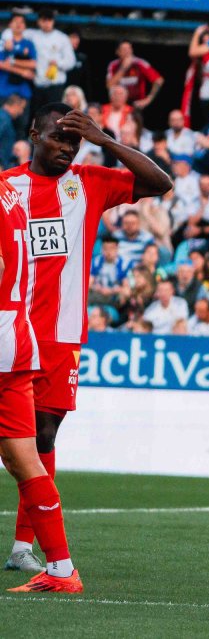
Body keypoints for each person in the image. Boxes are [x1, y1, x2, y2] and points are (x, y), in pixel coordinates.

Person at [1, 103, 172, 572]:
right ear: (34, 133)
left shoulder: (88, 182)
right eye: (59, 137)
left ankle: (22, 548)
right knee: (20, 444)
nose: (67, 148)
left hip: (59, 335)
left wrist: (106, 141)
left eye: (74, 141)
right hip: (12, 329)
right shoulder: (6, 188)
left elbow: (161, 183)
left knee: (43, 436)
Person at [0, 177, 82, 592]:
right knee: (23, 460)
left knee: (26, 457)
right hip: (14, 338)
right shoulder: (10, 194)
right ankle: (62, 570)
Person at [27, 11, 75, 114]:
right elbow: (12, 33)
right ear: (39, 21)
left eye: (49, 20)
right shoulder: (32, 35)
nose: (47, 23)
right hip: (38, 85)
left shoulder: (62, 38)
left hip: (55, 86)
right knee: (37, 118)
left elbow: (71, 62)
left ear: (53, 21)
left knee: (54, 118)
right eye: (44, 20)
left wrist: (58, 63)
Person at [105, 42, 162, 112]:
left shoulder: (140, 63)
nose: (128, 52)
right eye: (124, 49)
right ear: (118, 52)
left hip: (137, 106)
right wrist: (123, 68)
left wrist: (148, 99)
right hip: (120, 106)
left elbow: (158, 80)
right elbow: (109, 85)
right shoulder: (113, 65)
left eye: (129, 48)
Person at [0, 94, 25, 168]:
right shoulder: (3, 119)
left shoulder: (5, 118)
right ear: (15, 105)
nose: (21, 112)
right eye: (21, 108)